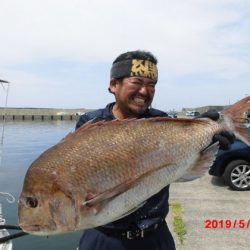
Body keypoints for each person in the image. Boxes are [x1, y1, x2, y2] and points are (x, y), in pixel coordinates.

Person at [76, 50, 234, 250]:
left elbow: (182, 167)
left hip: (155, 236)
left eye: (151, 85)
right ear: (114, 84)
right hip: (104, 237)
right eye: (137, 82)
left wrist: (210, 142)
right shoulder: (90, 123)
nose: (144, 91)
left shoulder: (162, 120)